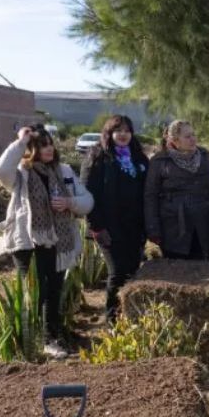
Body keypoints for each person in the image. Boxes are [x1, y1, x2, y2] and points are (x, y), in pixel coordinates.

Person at [0, 124, 93, 358]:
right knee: (37, 293)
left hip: (58, 241)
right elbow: (0, 171)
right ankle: (42, 340)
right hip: (30, 242)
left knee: (55, 290)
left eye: (50, 143)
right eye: (41, 144)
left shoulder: (64, 171)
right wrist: (20, 141)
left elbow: (87, 200)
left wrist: (70, 204)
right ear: (29, 149)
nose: (48, 149)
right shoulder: (20, 173)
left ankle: (54, 335)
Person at [80, 114, 149, 323]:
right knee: (117, 272)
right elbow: (87, 195)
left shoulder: (139, 158)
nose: (123, 134)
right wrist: (96, 227)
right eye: (118, 130)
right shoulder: (97, 157)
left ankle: (130, 317)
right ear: (109, 133)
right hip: (108, 227)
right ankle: (111, 319)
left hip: (135, 227)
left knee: (133, 271)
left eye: (127, 130)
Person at [144, 120, 209, 259]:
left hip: (204, 223)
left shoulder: (204, 156)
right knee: (178, 270)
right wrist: (153, 229)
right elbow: (150, 196)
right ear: (175, 140)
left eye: (193, 135)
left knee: (205, 266)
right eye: (187, 136)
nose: (193, 139)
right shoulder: (160, 161)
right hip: (174, 226)